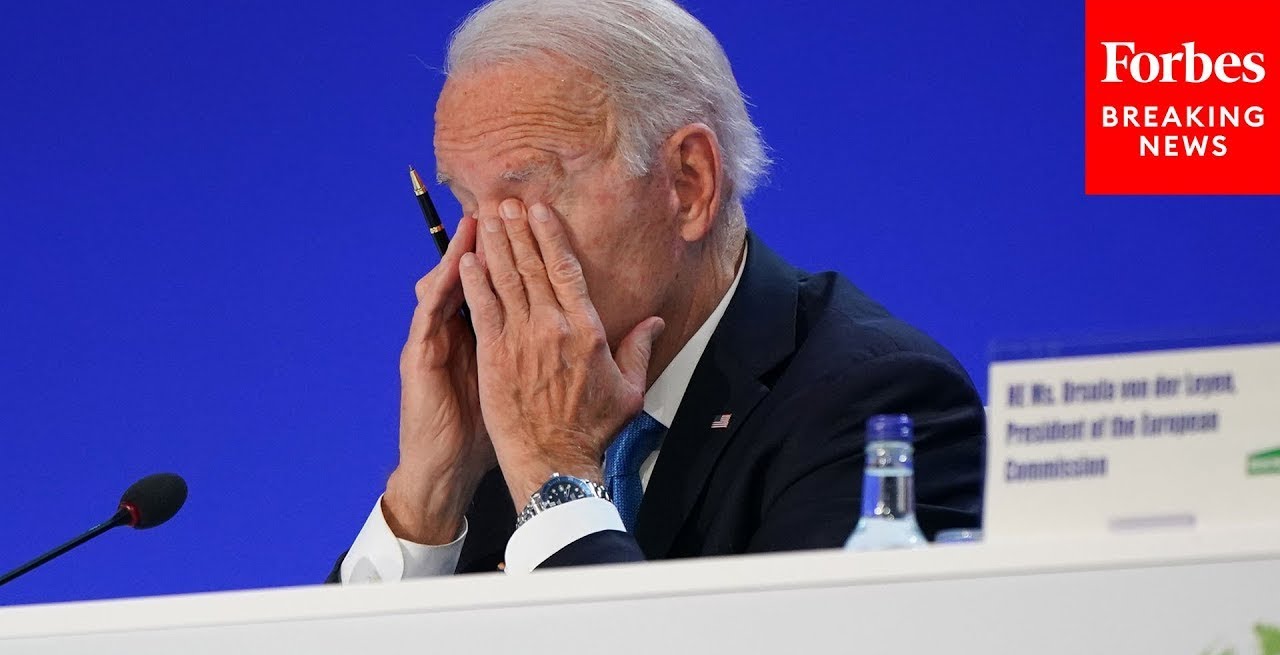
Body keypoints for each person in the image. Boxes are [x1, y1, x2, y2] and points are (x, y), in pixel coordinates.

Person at [329, 0, 984, 582]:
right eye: (465, 204)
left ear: (688, 184)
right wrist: (427, 495)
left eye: (525, 197)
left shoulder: (876, 403)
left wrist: (554, 474)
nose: (482, 257)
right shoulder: (509, 410)